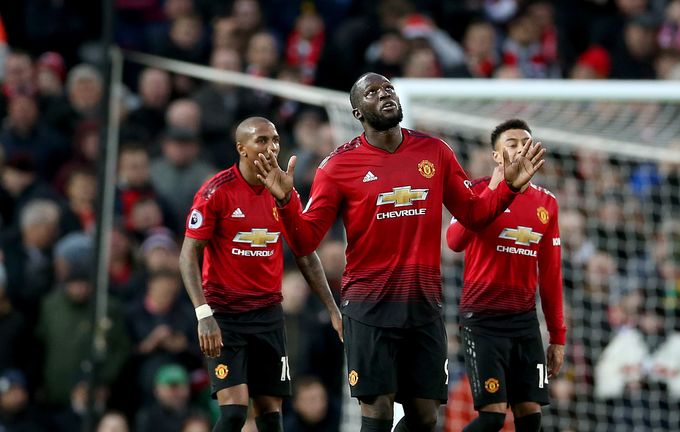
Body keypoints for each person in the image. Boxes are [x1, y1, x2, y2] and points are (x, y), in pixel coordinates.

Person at [253, 72, 545, 432]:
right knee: (378, 415)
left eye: (388, 88)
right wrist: (285, 201)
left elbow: (473, 213)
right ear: (357, 112)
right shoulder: (338, 167)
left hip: (423, 306)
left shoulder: (435, 152)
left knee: (424, 417)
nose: (385, 94)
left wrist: (509, 189)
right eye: (372, 93)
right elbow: (305, 241)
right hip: (369, 307)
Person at [179, 116, 342, 432]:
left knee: (271, 416)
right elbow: (188, 257)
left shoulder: (283, 193)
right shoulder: (216, 192)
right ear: (241, 148)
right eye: (262, 141)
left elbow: (305, 253)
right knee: (234, 413)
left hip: (268, 315)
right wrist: (203, 314)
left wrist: (332, 308)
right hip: (225, 315)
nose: (272, 148)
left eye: (276, 140)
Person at [446, 119, 565, 432]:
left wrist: (557, 337)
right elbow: (453, 242)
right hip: (483, 321)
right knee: (493, 417)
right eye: (512, 143)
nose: (520, 146)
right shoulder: (475, 191)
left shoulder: (547, 203)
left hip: (524, 322)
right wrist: (499, 192)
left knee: (531, 418)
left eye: (525, 141)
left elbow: (551, 274)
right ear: (497, 156)